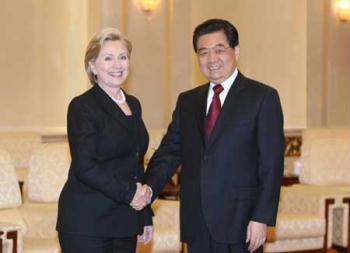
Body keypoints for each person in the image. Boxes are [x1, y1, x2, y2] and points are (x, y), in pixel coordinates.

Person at [141, 19, 284, 253]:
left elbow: (271, 164)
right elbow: (170, 152)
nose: (212, 59)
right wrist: (147, 190)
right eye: (203, 52)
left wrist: (261, 218)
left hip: (242, 222)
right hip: (197, 222)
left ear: (235, 50)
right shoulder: (188, 101)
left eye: (219, 50)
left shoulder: (262, 98)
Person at [56, 28, 153, 253]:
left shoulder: (134, 104)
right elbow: (85, 167)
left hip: (126, 221)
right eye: (108, 58)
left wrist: (144, 214)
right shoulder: (82, 106)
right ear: (92, 65)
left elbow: (136, 163)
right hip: (87, 222)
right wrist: (130, 195)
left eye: (122, 57)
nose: (117, 65)